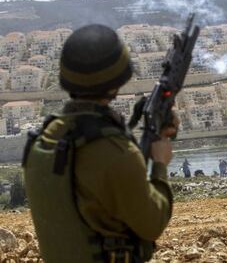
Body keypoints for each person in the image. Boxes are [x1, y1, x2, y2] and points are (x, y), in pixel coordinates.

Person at [23, 25, 178, 263]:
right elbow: (152, 223)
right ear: (118, 80)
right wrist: (160, 162)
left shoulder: (44, 140)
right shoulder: (114, 151)